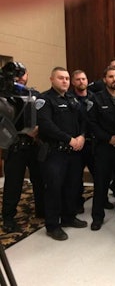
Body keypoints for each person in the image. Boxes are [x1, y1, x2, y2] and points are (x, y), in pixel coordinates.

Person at [35, 67, 87, 241]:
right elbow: (46, 125)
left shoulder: (72, 99)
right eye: (60, 78)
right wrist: (68, 139)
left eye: (66, 78)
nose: (64, 81)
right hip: (55, 152)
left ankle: (68, 217)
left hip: (74, 152)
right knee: (54, 189)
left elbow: (83, 120)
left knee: (72, 187)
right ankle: (53, 225)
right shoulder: (44, 99)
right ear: (52, 79)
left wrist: (81, 136)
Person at [1, 62, 45, 233]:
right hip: (14, 146)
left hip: (34, 145)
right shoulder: (3, 95)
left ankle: (42, 210)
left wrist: (38, 130)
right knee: (13, 184)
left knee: (39, 180)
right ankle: (8, 217)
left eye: (22, 74)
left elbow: (43, 115)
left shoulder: (33, 93)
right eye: (16, 75)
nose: (20, 78)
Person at [88, 66, 115, 231]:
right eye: (111, 77)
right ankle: (97, 217)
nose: (114, 80)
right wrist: (108, 138)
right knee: (101, 184)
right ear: (105, 79)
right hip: (104, 147)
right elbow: (92, 124)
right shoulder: (96, 99)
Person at [70, 69, 96, 214]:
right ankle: (78, 202)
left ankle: (101, 200)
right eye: (78, 79)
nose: (81, 82)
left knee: (98, 175)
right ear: (73, 82)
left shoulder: (94, 98)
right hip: (77, 143)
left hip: (93, 143)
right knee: (76, 177)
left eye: (84, 79)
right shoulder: (68, 98)